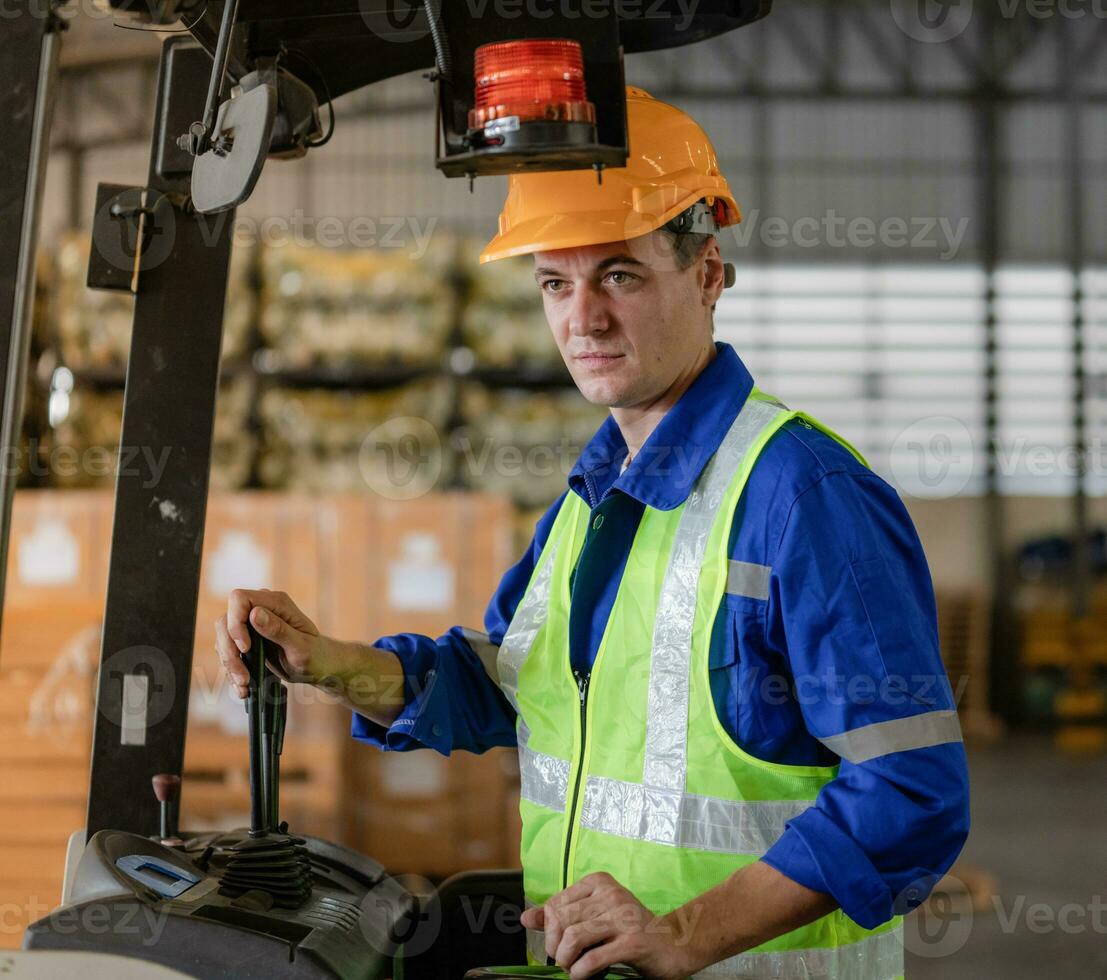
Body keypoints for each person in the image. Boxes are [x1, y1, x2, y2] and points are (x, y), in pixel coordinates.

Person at [215, 87, 969, 980]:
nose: (583, 318)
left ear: (708, 274)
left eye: (619, 274)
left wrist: (686, 933)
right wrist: (327, 662)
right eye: (554, 283)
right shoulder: (588, 496)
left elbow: (914, 795)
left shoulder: (804, 495)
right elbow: (512, 687)